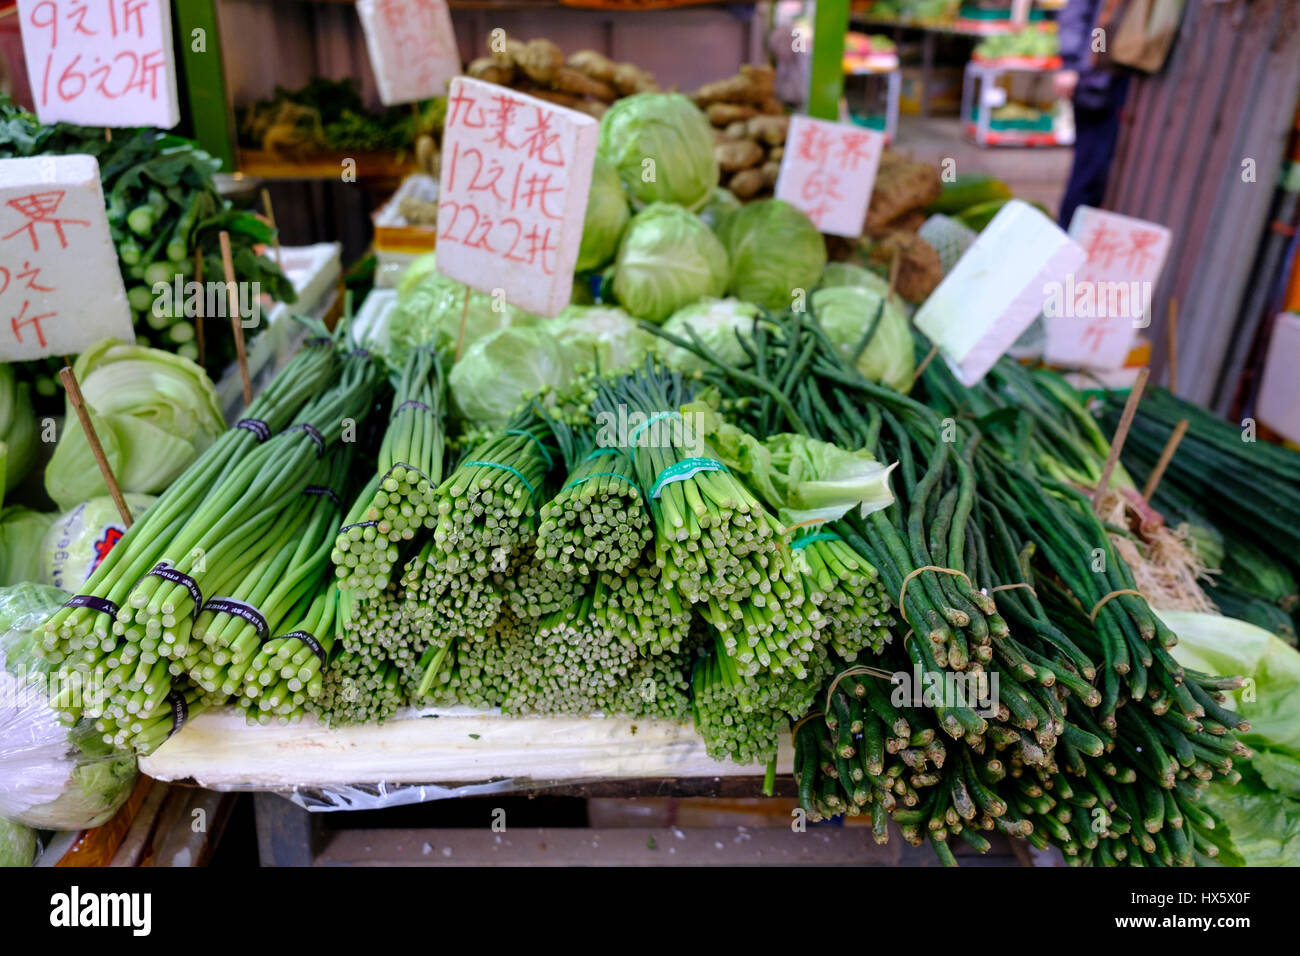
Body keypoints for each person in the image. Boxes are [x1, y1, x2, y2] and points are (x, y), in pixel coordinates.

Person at [1055, 0, 1130, 229]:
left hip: (1125, 81)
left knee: (1111, 174)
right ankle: (1069, 239)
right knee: (1089, 174)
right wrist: (1071, 65)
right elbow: (1076, 13)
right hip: (1096, 81)